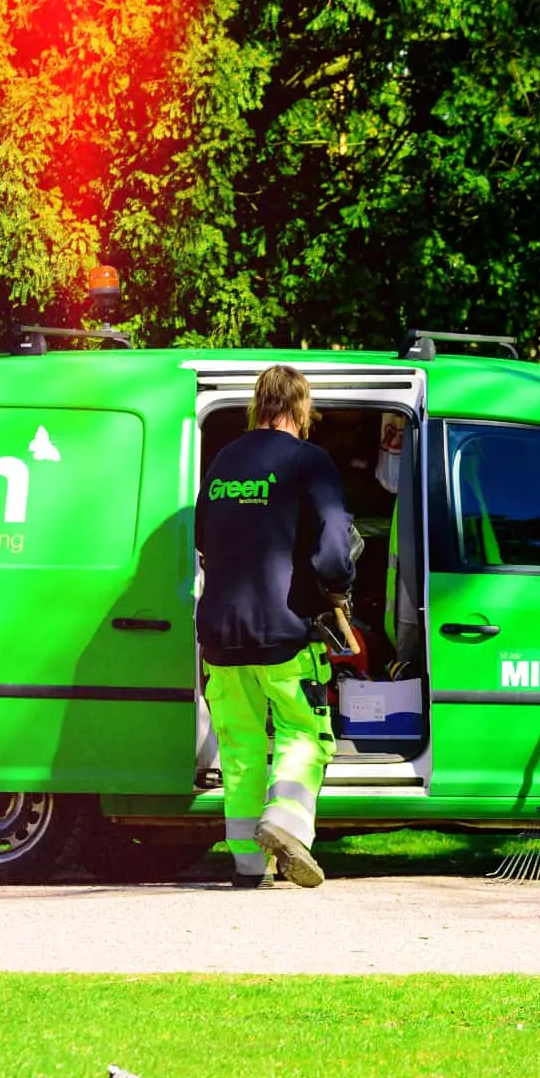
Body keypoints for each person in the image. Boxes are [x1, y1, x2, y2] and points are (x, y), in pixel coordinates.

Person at [195, 365, 356, 888]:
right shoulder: (309, 461)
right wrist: (339, 584)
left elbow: (202, 538)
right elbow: (334, 549)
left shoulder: (223, 462)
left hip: (218, 631)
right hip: (284, 630)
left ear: (258, 404)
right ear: (301, 407)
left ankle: (246, 865)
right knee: (305, 732)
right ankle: (285, 823)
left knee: (239, 744)